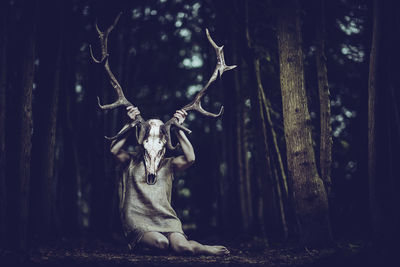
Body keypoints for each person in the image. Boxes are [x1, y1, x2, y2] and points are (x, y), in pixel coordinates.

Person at [110, 106, 230, 256]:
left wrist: (178, 128)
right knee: (161, 243)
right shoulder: (131, 160)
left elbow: (190, 158)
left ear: (165, 139)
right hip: (137, 217)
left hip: (165, 217)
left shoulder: (169, 164)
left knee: (183, 248)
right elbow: (114, 151)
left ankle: (202, 248)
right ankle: (140, 243)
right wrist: (129, 124)